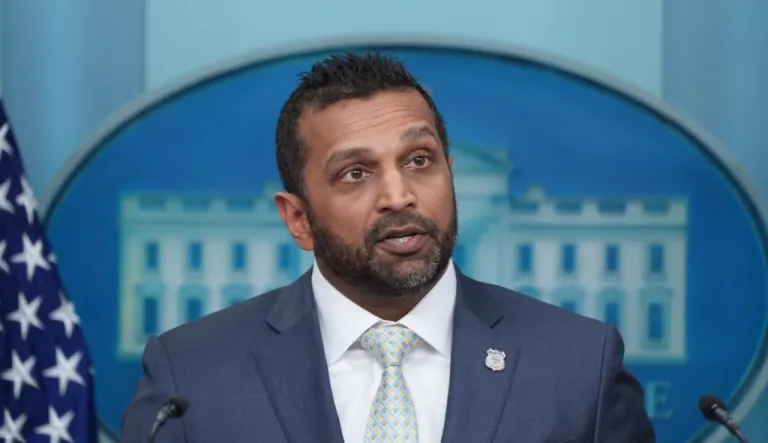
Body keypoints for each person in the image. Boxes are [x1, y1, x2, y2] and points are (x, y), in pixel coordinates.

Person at [121, 52, 656, 443]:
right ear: (298, 219)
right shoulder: (191, 376)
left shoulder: (579, 364)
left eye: (419, 160)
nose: (398, 196)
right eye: (356, 173)